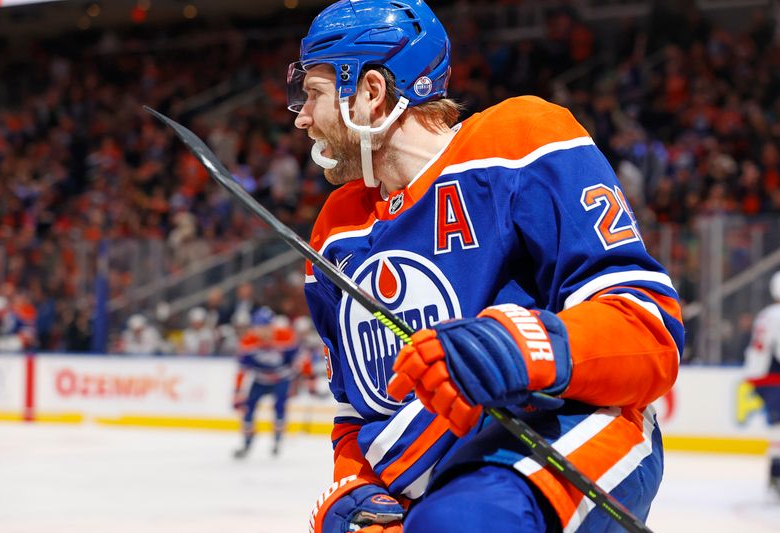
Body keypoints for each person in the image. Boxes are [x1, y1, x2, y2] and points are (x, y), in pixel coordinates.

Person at [289, 2, 684, 532]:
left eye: (312, 94)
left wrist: (519, 345)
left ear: (371, 92)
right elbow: (359, 407)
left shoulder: (519, 140)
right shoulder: (336, 227)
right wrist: (354, 485)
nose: (301, 116)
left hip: (562, 424)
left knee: (461, 522)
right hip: (433, 468)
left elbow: (649, 329)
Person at [232, 306, 299, 458]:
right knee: (248, 408)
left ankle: (277, 441)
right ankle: (247, 442)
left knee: (279, 408)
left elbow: (298, 361)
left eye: (265, 327)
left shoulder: (286, 336)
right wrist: (237, 391)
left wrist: (304, 380)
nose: (262, 332)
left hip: (282, 378)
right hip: (260, 379)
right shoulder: (248, 341)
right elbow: (242, 369)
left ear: (272, 326)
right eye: (259, 327)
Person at [743, 271, 780, 497]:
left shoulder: (767, 313)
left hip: (760, 377)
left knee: (777, 426)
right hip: (773, 377)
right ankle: (776, 475)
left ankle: (775, 475)